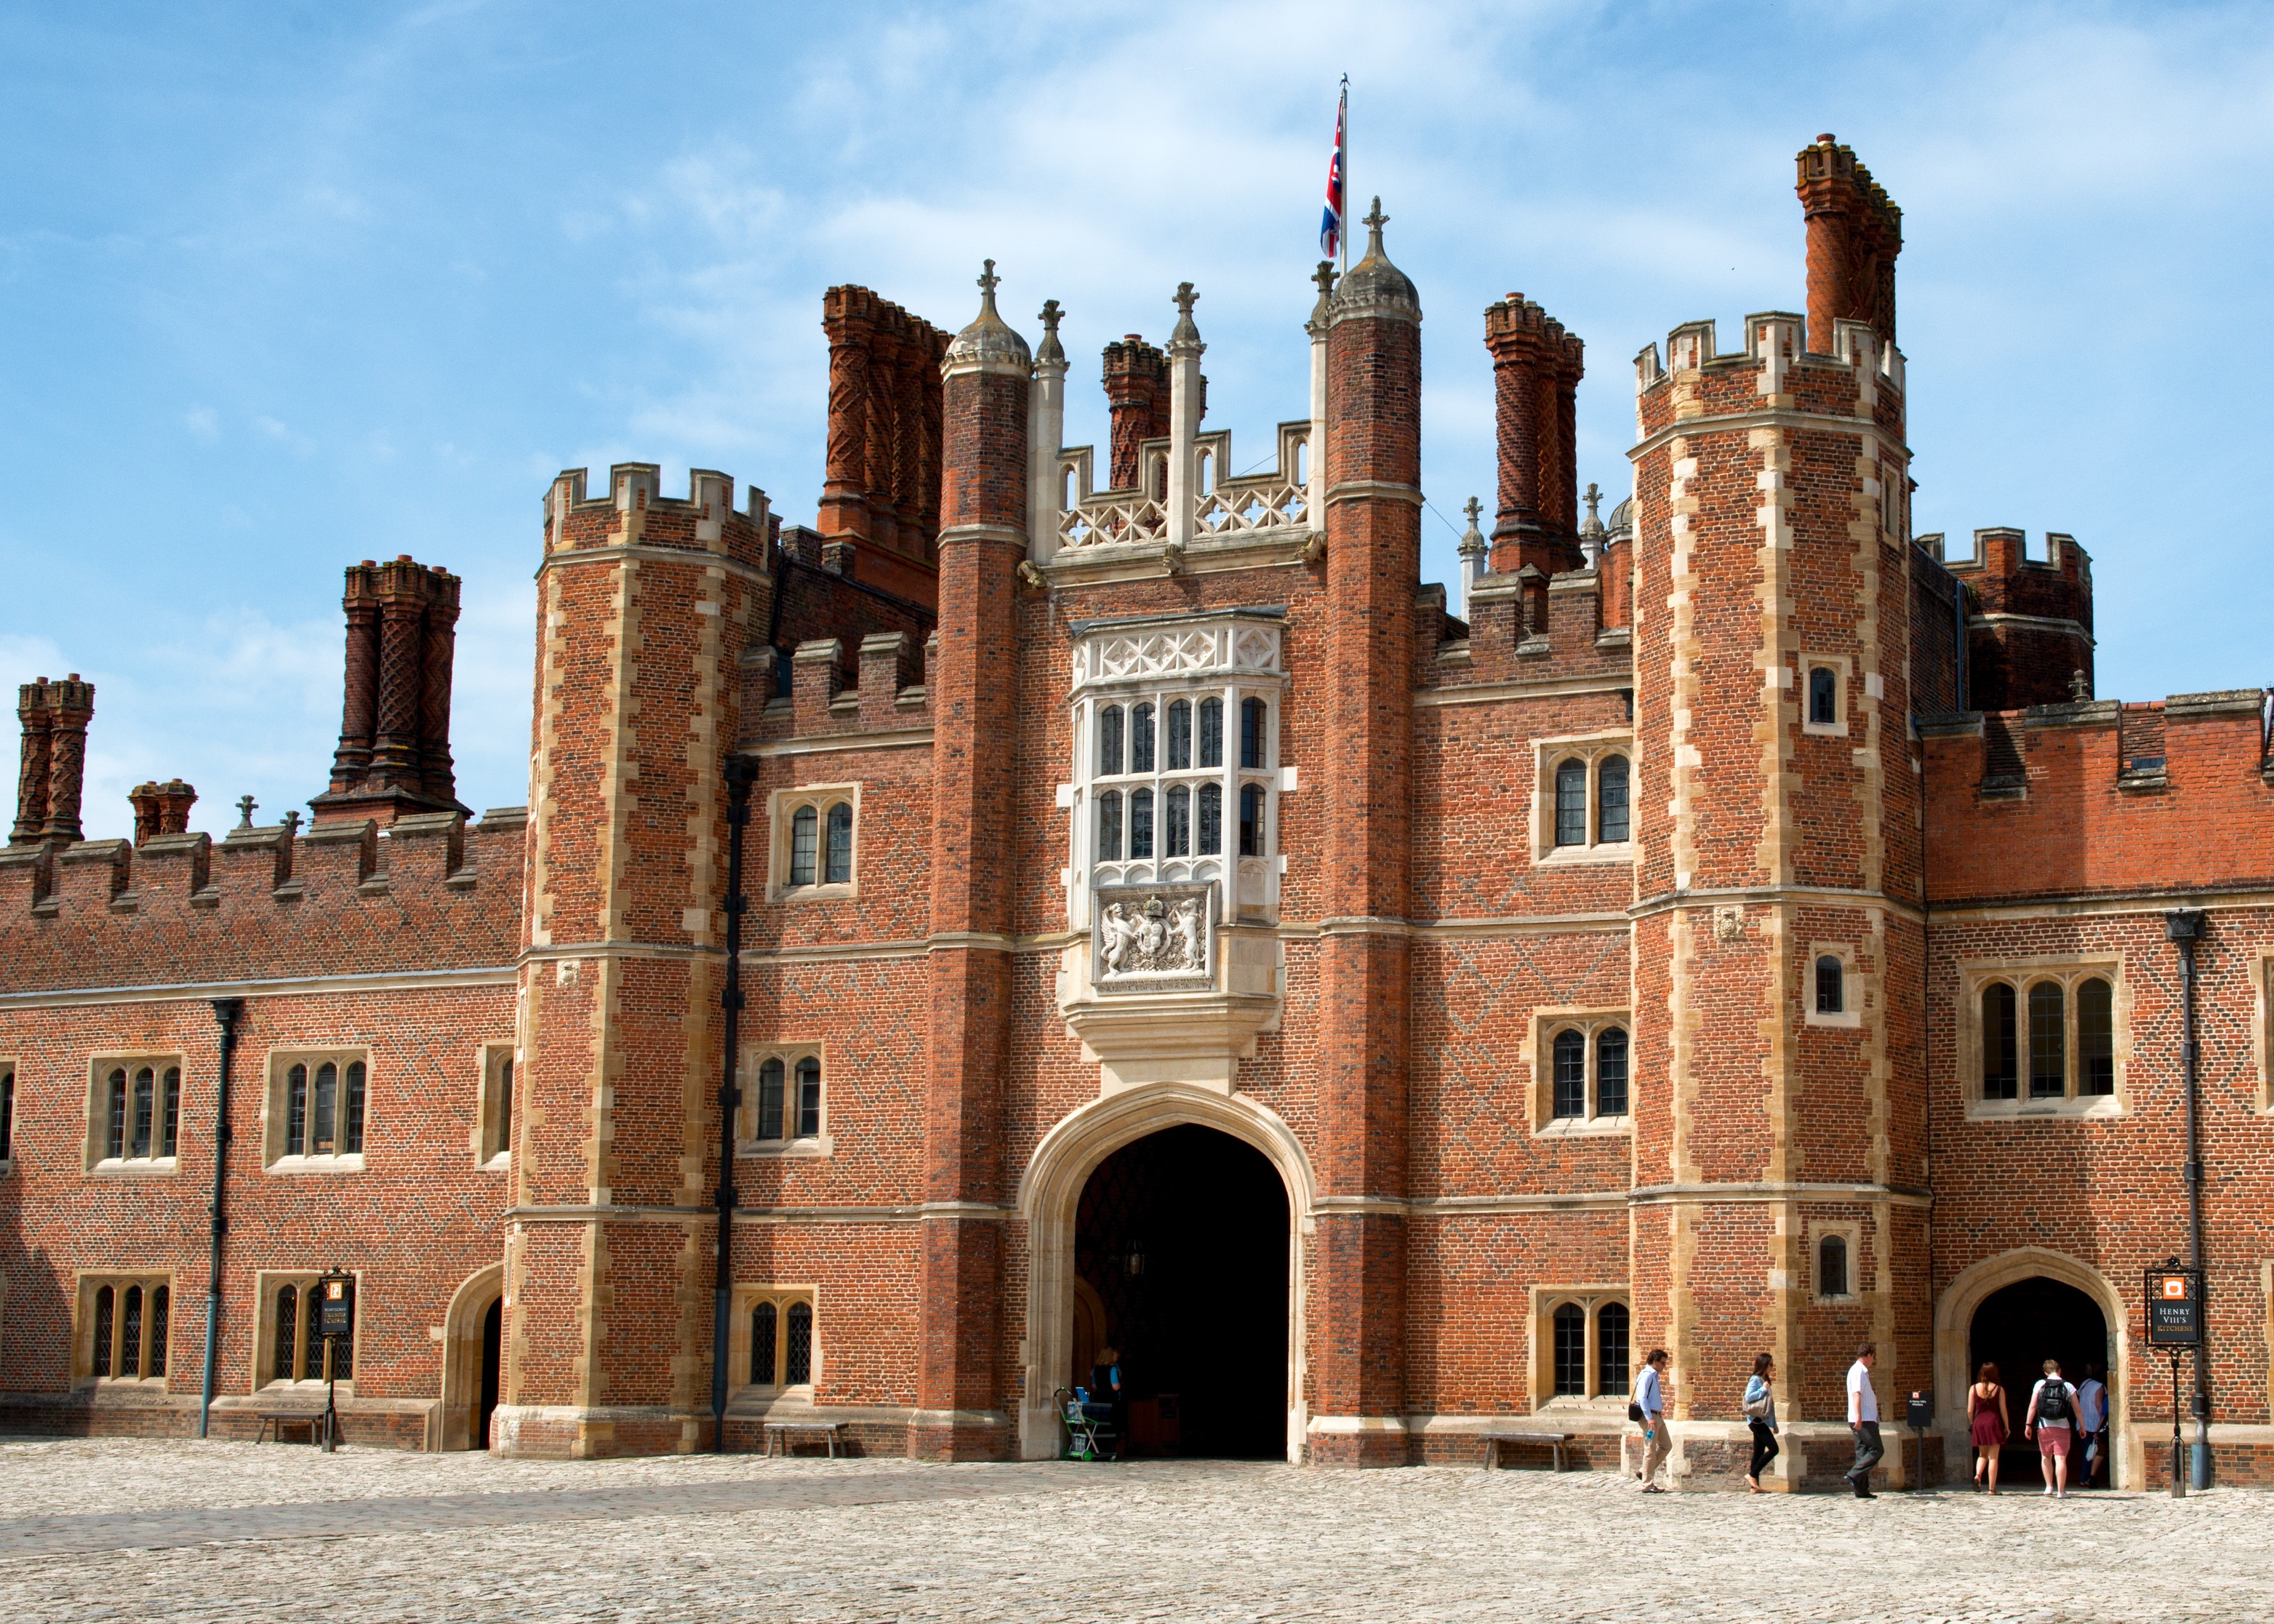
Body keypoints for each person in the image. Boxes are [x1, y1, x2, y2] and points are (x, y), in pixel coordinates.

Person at [2026, 1357, 2077, 1498]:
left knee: (2045, 1457)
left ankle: (2049, 1487)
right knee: (2060, 1459)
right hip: (2063, 1427)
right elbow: (2077, 1409)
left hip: (2044, 1426)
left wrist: (2028, 1425)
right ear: (2060, 1370)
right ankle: (2061, 1491)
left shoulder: (2040, 1384)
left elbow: (2033, 1406)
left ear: (2045, 1372)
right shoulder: (2068, 1386)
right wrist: (2082, 1426)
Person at [1845, 1343, 1883, 1499]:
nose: (1873, 1360)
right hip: (1864, 1419)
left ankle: (1861, 1490)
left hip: (1863, 1418)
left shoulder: (1860, 1371)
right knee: (1877, 1449)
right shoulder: (1858, 1371)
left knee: (1862, 1452)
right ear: (1868, 1356)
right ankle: (1854, 1475)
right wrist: (1859, 1417)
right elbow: (1856, 1394)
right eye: (1873, 1357)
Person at [1967, 1361, 2010, 1492]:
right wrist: (2007, 1426)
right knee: (1993, 1457)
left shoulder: (1973, 1388)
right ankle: (1992, 1489)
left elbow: (1969, 1410)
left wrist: (1972, 1423)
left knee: (1982, 1454)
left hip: (1979, 1422)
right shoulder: (1999, 1389)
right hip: (1993, 1422)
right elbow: (2003, 1410)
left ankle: (1978, 1475)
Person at [1633, 1348, 1672, 1492]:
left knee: (1667, 1445)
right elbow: (1641, 1397)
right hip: (1650, 1418)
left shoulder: (1654, 1375)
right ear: (1655, 1361)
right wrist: (1649, 1418)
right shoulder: (1647, 1375)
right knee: (1649, 1450)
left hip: (1657, 1417)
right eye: (1662, 1363)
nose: (1664, 1366)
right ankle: (1647, 1484)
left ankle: (1644, 1471)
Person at [1742, 1352, 1779, 1492]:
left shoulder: (1764, 1379)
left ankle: (1755, 1486)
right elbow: (1749, 1397)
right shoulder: (1756, 1379)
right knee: (1774, 1449)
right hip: (1756, 1421)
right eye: (1770, 1364)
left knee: (1758, 1452)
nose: (1772, 1367)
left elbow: (1770, 1405)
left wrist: (1774, 1424)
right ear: (1764, 1365)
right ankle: (1752, 1475)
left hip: (1762, 1420)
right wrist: (1763, 1388)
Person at [2075, 1362, 2108, 1489]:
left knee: (2087, 1451)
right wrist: (2101, 1423)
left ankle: (2085, 1477)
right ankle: (2088, 1478)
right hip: (2094, 1423)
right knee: (2097, 1452)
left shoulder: (2084, 1385)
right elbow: (2099, 1405)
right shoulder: (2099, 1386)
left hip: (2082, 1423)